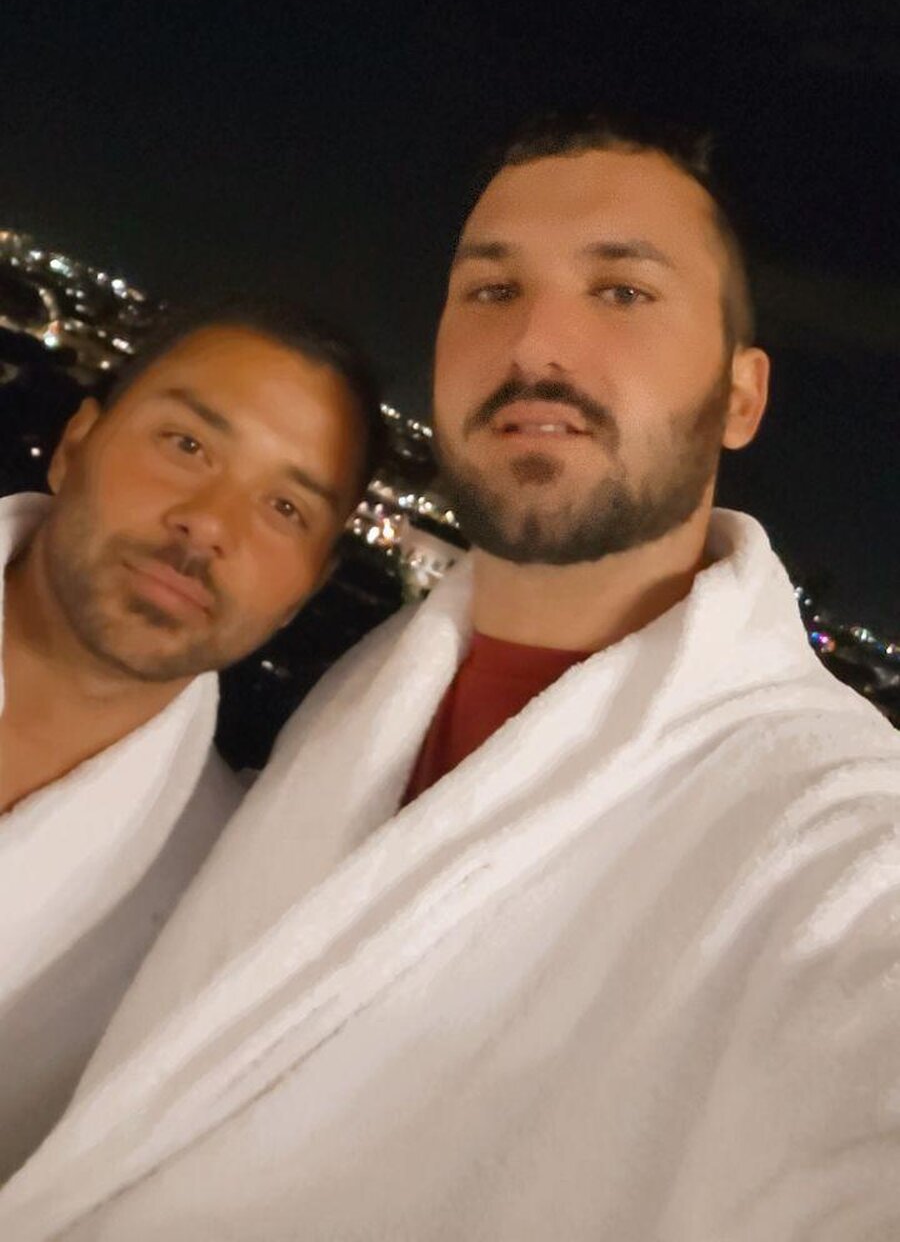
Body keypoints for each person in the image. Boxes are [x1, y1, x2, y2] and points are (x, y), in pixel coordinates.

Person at [4, 113, 900, 1242]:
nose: (537, 342)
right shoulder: (357, 706)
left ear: (740, 395)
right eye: (491, 289)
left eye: (622, 291)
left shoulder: (830, 827)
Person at [0, 297, 377, 1184]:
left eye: (285, 507)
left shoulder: (236, 917)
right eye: (188, 445)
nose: (210, 523)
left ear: (307, 589)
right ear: (75, 444)